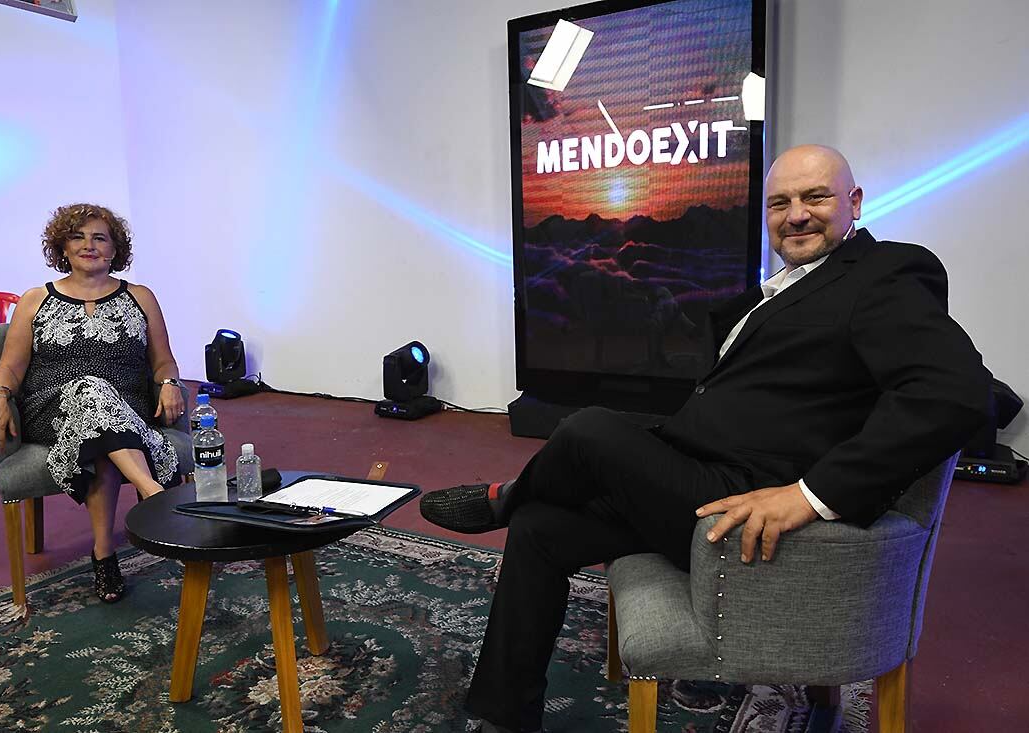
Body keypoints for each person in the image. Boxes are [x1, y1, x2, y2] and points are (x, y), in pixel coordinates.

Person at [420, 145, 992, 733]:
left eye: (815, 197)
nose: (796, 214)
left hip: (738, 499)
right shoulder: (792, 285)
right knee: (539, 529)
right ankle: (505, 717)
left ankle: (503, 497)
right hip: (694, 473)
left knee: (587, 429)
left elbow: (957, 394)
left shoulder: (884, 274)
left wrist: (813, 494)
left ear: (854, 202)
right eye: (780, 203)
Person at [0, 203, 186, 603]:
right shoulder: (35, 299)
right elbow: (10, 366)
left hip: (125, 407)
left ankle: (104, 556)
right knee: (89, 390)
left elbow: (162, 360)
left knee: (103, 439)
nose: (88, 245)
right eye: (78, 237)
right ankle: (153, 492)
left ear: (115, 249)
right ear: (63, 246)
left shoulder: (141, 297)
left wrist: (170, 383)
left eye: (99, 237)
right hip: (51, 408)